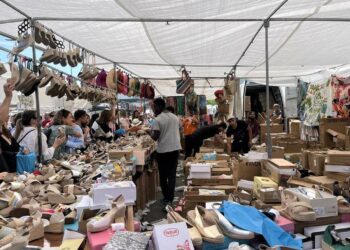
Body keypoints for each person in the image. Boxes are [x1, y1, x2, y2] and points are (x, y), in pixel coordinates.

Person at [148, 98, 181, 210]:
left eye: (153, 107)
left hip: (163, 151)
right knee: (172, 175)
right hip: (175, 149)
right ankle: (170, 198)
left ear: (158, 106)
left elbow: (155, 136)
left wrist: (149, 133)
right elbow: (178, 130)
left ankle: (167, 197)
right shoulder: (175, 117)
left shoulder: (158, 119)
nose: (153, 110)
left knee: (163, 176)